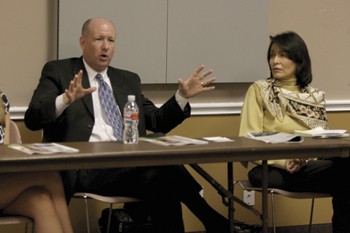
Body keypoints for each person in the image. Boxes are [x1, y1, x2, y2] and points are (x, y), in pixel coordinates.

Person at [24, 17, 229, 233]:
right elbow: (32, 118)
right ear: (83, 42)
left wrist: (182, 97)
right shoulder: (59, 71)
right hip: (83, 168)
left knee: (163, 179)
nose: (106, 46)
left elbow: (157, 120)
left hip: (128, 164)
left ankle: (213, 222)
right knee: (166, 171)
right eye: (99, 39)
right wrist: (65, 99)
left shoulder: (127, 80)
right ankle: (213, 220)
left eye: (111, 40)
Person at [239, 31, 350, 232]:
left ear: (299, 61)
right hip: (270, 168)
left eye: (283, 55)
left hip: (309, 165)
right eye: (272, 55)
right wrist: (285, 161)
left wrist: (305, 158)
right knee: (346, 177)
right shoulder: (259, 90)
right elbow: (248, 139)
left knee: (347, 170)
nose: (275, 61)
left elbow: (321, 139)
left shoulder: (314, 96)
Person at [0, 91, 74, 233]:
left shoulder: (2, 100)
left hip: (4, 183)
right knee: (47, 175)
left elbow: (7, 149)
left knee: (42, 202)